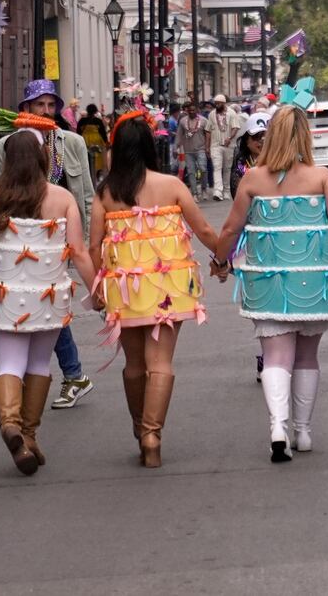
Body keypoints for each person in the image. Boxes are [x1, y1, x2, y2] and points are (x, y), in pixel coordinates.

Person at [216, 105, 328, 462]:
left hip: (267, 282)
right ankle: (303, 431)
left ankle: (277, 427)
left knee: (275, 357)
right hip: (314, 283)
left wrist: (220, 259)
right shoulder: (322, 178)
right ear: (304, 136)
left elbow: (230, 229)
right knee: (306, 357)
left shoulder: (254, 179)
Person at [91, 110, 221, 467]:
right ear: (151, 146)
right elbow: (205, 231)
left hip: (125, 287)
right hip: (170, 286)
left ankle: (139, 429)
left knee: (134, 364)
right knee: (160, 361)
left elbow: (93, 246)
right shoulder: (172, 186)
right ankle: (152, 434)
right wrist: (222, 258)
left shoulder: (106, 192)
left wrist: (96, 287)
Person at [0, 129, 97, 475]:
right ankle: (28, 434)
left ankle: (9, 424)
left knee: (9, 364)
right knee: (40, 364)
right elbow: (79, 252)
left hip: (3, 295)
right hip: (49, 296)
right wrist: (97, 292)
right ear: (44, 159)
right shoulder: (61, 198)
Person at [0, 80, 97, 411]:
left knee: (48, 305)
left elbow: (88, 195)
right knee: (41, 308)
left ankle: (66, 375)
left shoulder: (73, 144)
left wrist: (93, 242)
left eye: (52, 106)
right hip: (20, 238)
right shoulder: (8, 145)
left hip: (61, 238)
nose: (47, 112)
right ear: (26, 109)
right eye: (40, 105)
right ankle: (70, 375)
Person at [207, 93, 247, 201]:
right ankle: (217, 191)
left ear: (224, 103)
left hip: (229, 145)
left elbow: (235, 127)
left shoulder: (232, 113)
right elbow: (208, 131)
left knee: (227, 169)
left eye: (219, 103)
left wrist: (230, 137)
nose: (217, 105)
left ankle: (226, 191)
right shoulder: (211, 114)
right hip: (215, 145)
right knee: (217, 167)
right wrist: (207, 146)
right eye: (216, 103)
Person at [231, 111, 270, 199]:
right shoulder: (242, 162)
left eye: (267, 137)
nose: (262, 141)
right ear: (246, 140)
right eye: (257, 136)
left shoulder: (281, 160)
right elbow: (238, 193)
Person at [179, 104, 208, 197]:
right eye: (190, 111)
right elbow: (179, 134)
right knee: (191, 172)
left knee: (203, 169)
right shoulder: (183, 121)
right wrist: (177, 147)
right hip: (188, 151)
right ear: (187, 111)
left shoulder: (204, 120)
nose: (191, 112)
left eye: (193, 110)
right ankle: (194, 193)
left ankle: (204, 189)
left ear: (197, 111)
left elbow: (208, 135)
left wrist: (208, 147)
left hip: (201, 149)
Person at [76, 103, 108, 176]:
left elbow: (78, 131)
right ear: (95, 111)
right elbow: (102, 132)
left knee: (85, 156)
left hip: (85, 140)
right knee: (97, 158)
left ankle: (87, 171)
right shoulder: (98, 121)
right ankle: (97, 173)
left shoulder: (82, 120)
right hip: (97, 141)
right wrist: (105, 141)